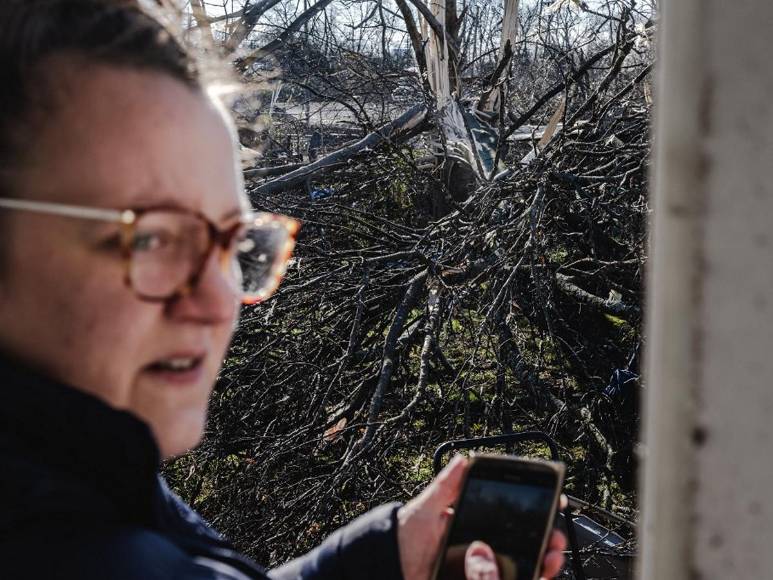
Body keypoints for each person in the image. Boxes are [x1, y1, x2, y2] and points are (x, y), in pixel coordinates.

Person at [0, 1, 567, 579]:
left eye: (235, 246)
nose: (220, 300)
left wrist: (386, 560)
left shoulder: (97, 486)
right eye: (152, 239)